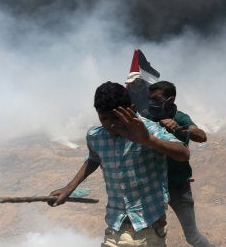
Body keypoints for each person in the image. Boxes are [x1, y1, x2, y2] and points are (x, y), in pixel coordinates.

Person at [49, 81, 190, 247]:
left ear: (132, 109)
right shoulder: (96, 136)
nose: (111, 124)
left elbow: (183, 154)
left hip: (149, 228)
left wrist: (149, 141)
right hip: (115, 227)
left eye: (116, 117)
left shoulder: (149, 130)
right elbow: (94, 158)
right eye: (104, 118)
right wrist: (69, 188)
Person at [144, 81, 213, 247]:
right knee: (149, 235)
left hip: (177, 186)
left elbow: (202, 136)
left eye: (157, 98)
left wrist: (180, 129)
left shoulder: (179, 116)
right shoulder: (147, 117)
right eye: (150, 98)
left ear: (171, 99)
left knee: (192, 237)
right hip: (151, 187)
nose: (153, 102)